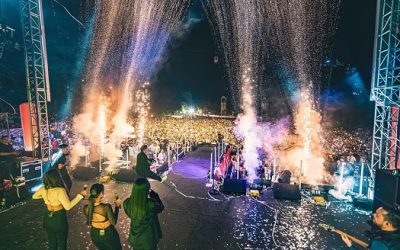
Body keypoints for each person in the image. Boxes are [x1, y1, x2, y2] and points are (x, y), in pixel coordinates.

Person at [33, 169, 87, 250]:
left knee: (52, 244)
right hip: (59, 219)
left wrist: (46, 198)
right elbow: (68, 206)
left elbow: (34, 196)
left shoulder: (43, 189)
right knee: (62, 245)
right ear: (56, 178)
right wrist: (80, 195)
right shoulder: (60, 190)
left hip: (48, 218)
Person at [123, 178, 164, 250]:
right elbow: (160, 208)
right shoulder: (150, 204)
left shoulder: (127, 203)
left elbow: (130, 214)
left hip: (134, 238)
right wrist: (154, 195)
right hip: (148, 240)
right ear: (146, 190)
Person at [84, 183, 122, 250]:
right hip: (108, 235)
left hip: (94, 234)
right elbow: (114, 222)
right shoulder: (106, 207)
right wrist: (117, 206)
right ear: (101, 193)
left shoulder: (85, 208)